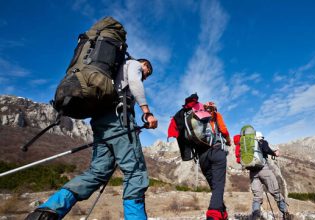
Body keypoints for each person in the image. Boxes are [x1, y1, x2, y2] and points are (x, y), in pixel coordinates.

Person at [25, 58, 158, 220]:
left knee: (97, 172)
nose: (146, 76)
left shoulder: (114, 70)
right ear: (143, 64)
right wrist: (147, 112)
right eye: (147, 72)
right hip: (119, 119)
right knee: (135, 172)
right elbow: (135, 83)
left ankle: (46, 213)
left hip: (100, 121)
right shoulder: (134, 64)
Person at [167, 96, 230, 220]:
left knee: (215, 187)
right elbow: (224, 130)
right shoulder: (216, 116)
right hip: (216, 151)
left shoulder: (195, 117)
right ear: (214, 109)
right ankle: (213, 214)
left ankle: (223, 214)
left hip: (202, 157)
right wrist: (228, 141)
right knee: (218, 185)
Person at [242, 131, 289, 220]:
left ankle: (255, 216)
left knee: (257, 197)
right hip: (264, 170)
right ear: (261, 137)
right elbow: (266, 149)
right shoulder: (262, 142)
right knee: (276, 192)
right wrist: (275, 153)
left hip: (253, 173)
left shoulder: (249, 146)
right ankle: (285, 213)